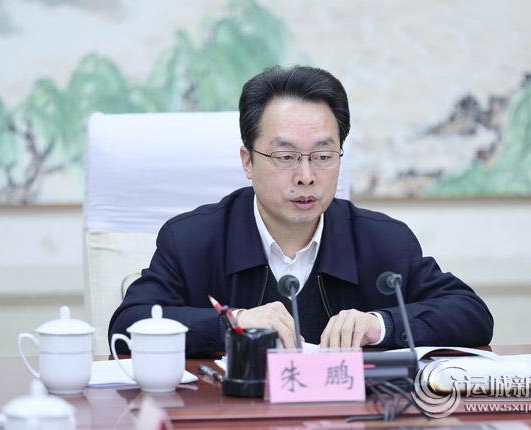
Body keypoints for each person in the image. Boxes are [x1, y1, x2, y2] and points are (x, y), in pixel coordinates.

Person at [109, 65, 493, 356]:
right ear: (248, 161)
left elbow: (470, 313)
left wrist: (382, 324)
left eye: (323, 156)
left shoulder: (383, 241)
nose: (306, 176)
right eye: (285, 156)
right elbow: (128, 325)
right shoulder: (191, 240)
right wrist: (233, 322)